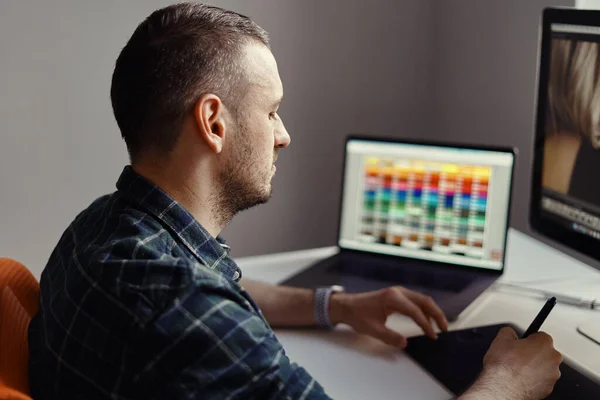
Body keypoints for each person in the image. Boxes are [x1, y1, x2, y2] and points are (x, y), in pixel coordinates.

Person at [28, 3, 562, 399]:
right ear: (213, 123)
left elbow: (216, 289)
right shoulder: (187, 313)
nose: (283, 135)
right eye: (271, 111)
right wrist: (508, 382)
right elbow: (199, 309)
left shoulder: (99, 228)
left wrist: (340, 306)